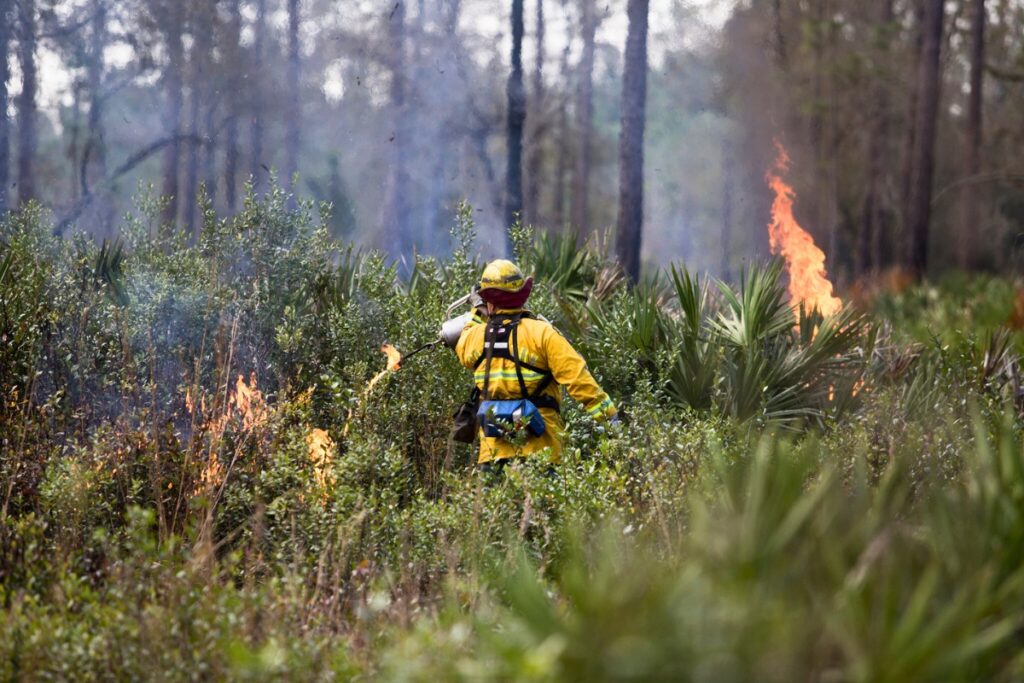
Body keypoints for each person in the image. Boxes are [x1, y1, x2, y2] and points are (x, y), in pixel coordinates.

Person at [452, 259, 617, 466]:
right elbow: (579, 380)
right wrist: (611, 420)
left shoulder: (474, 337)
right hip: (543, 450)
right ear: (522, 295)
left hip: (493, 454)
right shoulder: (543, 333)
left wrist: (478, 309)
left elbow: (463, 338)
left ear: (489, 301)